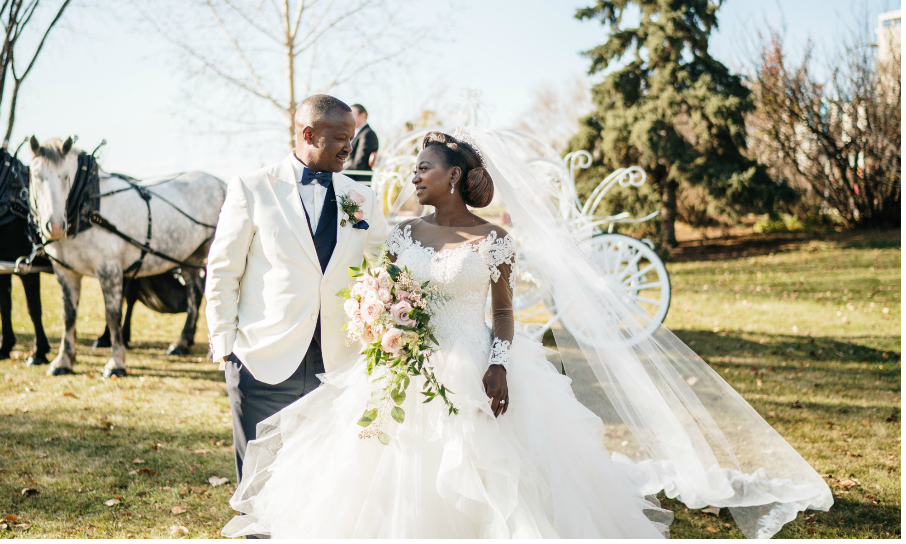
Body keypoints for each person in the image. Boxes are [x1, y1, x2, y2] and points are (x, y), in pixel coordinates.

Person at [222, 127, 833, 539]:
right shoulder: (400, 232)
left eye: (424, 167)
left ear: (454, 176)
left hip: (470, 361)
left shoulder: (494, 242)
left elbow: (505, 311)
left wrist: (499, 362)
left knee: (488, 473)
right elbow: (368, 281)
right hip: (400, 364)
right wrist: (379, 316)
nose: (414, 174)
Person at [203, 94, 389, 480]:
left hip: (335, 364)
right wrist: (226, 348)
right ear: (308, 134)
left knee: (321, 482)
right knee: (259, 480)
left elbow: (384, 264)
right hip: (262, 360)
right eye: (340, 137)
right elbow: (223, 270)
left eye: (351, 137)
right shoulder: (252, 188)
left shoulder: (362, 197)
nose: (349, 147)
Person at [347, 104, 379, 182]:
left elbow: (359, 163)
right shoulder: (359, 134)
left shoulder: (368, 134)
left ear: (363, 115)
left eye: (352, 115)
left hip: (359, 181)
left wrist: (339, 171)